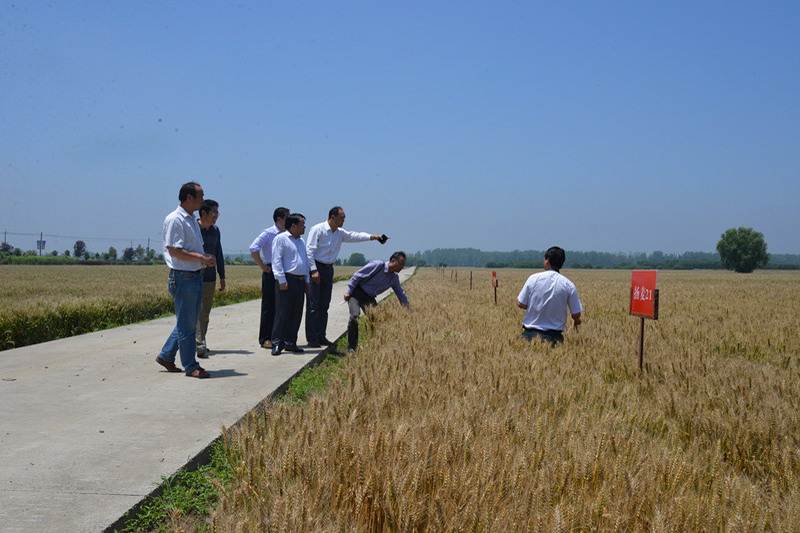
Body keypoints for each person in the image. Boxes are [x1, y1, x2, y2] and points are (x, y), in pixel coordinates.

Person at [156, 182, 216, 378]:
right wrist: (201, 258)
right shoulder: (175, 219)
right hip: (183, 277)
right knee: (187, 325)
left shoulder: (190, 219)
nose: (203, 200)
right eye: (201, 196)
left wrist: (202, 259)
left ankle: (166, 355)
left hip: (194, 276)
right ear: (189, 197)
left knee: (187, 322)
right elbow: (174, 250)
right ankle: (191, 366)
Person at [305, 206, 388, 347]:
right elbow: (309, 251)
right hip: (316, 268)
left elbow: (355, 236)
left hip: (328, 269)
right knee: (313, 305)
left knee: (324, 304)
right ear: (332, 217)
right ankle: (312, 338)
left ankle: (321, 336)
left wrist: (374, 237)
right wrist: (313, 270)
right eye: (342, 217)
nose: (344, 220)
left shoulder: (340, 233)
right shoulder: (317, 229)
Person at [344, 251, 410, 353]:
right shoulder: (378, 265)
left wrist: (408, 309)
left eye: (403, 264)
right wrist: (349, 291)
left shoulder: (394, 278)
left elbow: (401, 294)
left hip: (369, 298)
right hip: (356, 293)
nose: (402, 267)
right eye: (401, 264)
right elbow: (357, 275)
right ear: (393, 261)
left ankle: (375, 345)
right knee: (354, 316)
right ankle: (352, 347)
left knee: (377, 319)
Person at [516, 246, 583, 345]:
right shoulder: (568, 284)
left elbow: (521, 303)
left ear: (547, 261)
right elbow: (576, 313)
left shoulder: (533, 279)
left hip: (529, 335)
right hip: (554, 337)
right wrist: (577, 321)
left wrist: (536, 305)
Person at [249, 207, 290, 350]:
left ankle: (279, 336)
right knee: (269, 305)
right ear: (279, 219)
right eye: (287, 218)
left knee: (282, 306)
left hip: (284, 271)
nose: (289, 221)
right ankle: (265, 338)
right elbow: (253, 248)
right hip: (271, 270)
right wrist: (263, 266)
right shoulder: (268, 233)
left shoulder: (288, 234)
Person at [270, 213, 310, 356]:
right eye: (302, 224)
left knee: (296, 313)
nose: (304, 227)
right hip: (287, 280)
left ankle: (291, 342)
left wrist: (307, 280)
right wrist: (281, 279)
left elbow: (305, 261)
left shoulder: (301, 241)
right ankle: (277, 343)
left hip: (300, 280)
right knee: (283, 313)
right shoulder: (281, 239)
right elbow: (276, 260)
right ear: (293, 226)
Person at [195, 199, 226, 358]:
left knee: (205, 312)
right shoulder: (193, 228)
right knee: (197, 310)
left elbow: (218, 253)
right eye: (213, 212)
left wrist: (222, 276)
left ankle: (200, 342)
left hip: (210, 277)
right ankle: (199, 344)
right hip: (194, 275)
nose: (216, 215)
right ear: (203, 213)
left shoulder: (215, 230)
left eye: (217, 212)